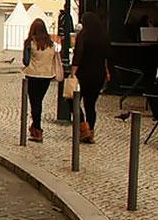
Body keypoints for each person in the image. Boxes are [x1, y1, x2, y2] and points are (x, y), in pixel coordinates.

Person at [70, 12, 111, 144]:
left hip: (84, 73)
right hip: (98, 74)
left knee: (72, 100)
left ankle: (83, 127)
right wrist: (107, 71)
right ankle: (91, 132)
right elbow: (108, 56)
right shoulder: (104, 36)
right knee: (90, 105)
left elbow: (78, 54)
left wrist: (72, 73)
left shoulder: (83, 35)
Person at [22, 18, 63, 142]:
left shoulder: (30, 43)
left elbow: (26, 61)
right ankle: (35, 127)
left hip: (33, 75)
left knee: (35, 103)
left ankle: (37, 129)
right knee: (39, 101)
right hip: (46, 76)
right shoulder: (50, 44)